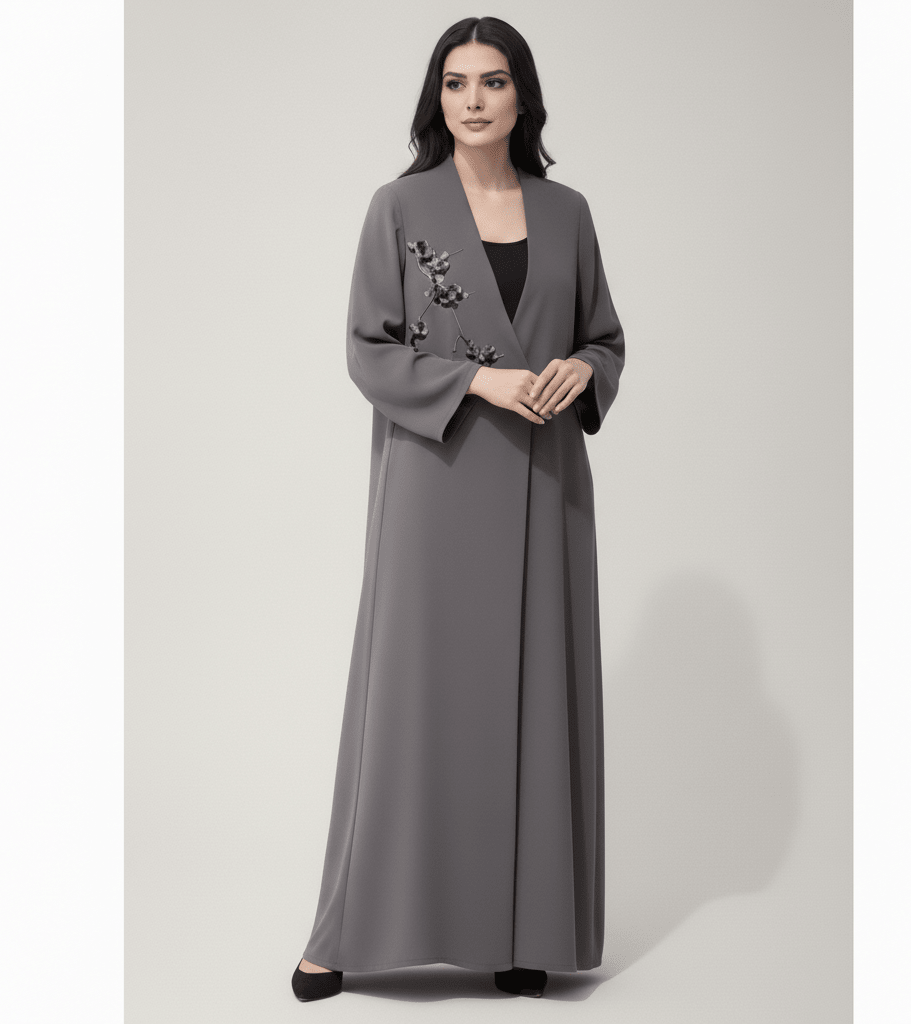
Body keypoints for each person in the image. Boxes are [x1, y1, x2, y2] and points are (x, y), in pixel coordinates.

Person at [292, 15, 625, 1002]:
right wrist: (480, 381)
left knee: (535, 700)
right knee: (412, 705)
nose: (473, 100)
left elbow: (604, 337)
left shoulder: (567, 212)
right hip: (437, 487)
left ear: (524, 97)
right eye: (455, 82)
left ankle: (522, 931)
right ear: (436, 99)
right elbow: (368, 347)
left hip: (545, 490)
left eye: (492, 81)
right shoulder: (400, 207)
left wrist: (581, 367)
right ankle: (345, 934)